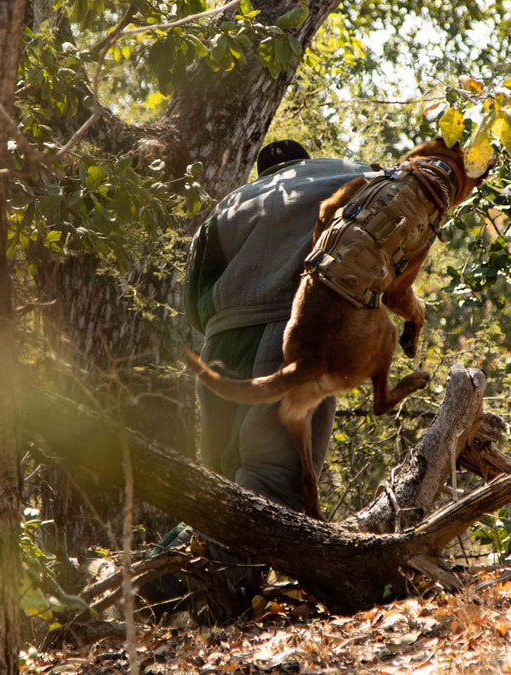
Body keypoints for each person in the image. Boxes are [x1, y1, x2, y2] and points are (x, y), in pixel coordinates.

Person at [141, 142, 374, 620]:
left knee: (221, 484)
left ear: (261, 170)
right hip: (291, 340)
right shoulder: (344, 175)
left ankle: (167, 586)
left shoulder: (227, 208)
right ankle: (189, 597)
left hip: (221, 350)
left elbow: (194, 303)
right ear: (303, 160)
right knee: (271, 481)